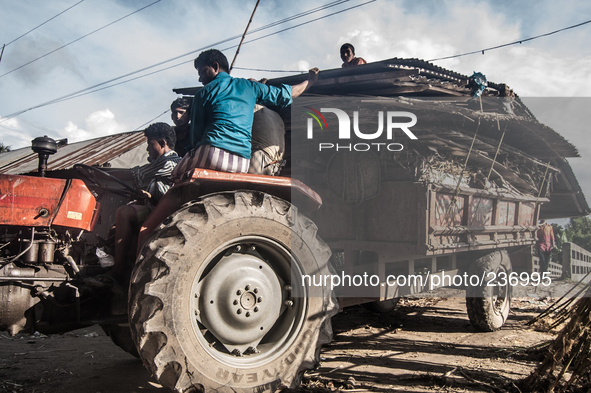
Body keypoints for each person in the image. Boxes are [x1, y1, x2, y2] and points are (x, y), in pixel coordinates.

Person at [171, 49, 319, 180]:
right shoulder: (250, 87)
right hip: (242, 162)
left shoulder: (203, 92)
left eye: (202, 72)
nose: (200, 79)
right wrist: (310, 81)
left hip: (211, 154)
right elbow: (288, 93)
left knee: (173, 177)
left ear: (215, 67)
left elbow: (196, 135)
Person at [105, 123, 181, 283]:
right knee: (114, 228)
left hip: (164, 214)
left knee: (124, 212)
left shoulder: (169, 162)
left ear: (162, 143)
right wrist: (145, 195)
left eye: (149, 144)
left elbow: (134, 173)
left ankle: (117, 270)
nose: (147, 149)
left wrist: (101, 173)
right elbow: (161, 192)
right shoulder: (161, 165)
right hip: (155, 207)